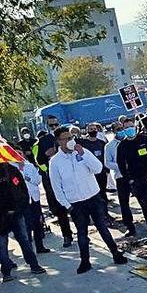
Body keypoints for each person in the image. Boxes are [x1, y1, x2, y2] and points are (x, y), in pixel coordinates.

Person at [48, 127, 128, 274]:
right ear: (59, 141)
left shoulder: (82, 152)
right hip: (75, 203)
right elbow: (56, 187)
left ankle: (116, 253)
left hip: (93, 197)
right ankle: (85, 261)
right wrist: (67, 205)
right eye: (65, 139)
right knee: (82, 233)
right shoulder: (55, 162)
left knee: (102, 227)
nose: (69, 141)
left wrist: (83, 154)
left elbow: (98, 169)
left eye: (70, 138)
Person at [118, 119, 147, 244]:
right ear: (123, 129)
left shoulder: (146, 140)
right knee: (146, 208)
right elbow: (121, 165)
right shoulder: (122, 146)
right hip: (137, 182)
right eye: (127, 127)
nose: (130, 129)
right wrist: (130, 180)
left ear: (135, 127)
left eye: (131, 126)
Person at [0, 159, 46, 282]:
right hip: (1, 217)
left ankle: (34, 265)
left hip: (17, 213)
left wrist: (20, 208)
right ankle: (6, 272)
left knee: (25, 240)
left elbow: (23, 190)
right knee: (2, 245)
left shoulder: (12, 170)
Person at [35, 116, 73, 247]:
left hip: (71, 178)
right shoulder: (44, 140)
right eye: (51, 125)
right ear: (47, 126)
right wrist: (46, 155)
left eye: (56, 124)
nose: (54, 127)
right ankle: (67, 235)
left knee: (77, 208)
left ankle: (82, 233)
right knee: (61, 209)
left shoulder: (68, 135)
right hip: (54, 179)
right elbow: (39, 161)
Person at [104, 126, 140, 238]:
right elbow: (107, 163)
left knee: (142, 199)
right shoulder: (109, 146)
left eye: (121, 128)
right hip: (120, 176)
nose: (120, 131)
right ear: (113, 131)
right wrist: (121, 166)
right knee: (124, 203)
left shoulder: (130, 142)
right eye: (118, 129)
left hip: (135, 175)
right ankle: (130, 227)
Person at [14, 156, 50, 253]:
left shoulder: (29, 166)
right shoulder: (12, 168)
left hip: (34, 199)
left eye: (20, 153)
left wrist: (27, 177)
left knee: (37, 223)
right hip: (23, 201)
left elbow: (38, 180)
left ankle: (40, 246)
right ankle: (29, 249)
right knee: (27, 226)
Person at [78, 122, 111, 208]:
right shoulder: (83, 143)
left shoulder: (101, 143)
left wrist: (107, 170)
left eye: (94, 129)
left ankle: (105, 213)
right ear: (87, 131)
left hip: (101, 173)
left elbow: (105, 157)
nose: (93, 131)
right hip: (89, 174)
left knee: (102, 193)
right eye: (91, 129)